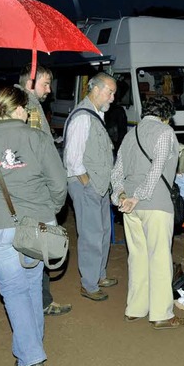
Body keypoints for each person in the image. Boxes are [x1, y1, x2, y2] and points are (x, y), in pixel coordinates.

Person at [0, 85, 67, 366]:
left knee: (13, 289)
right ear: (20, 109)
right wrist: (51, 209)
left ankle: (31, 350)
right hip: (37, 225)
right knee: (32, 283)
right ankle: (32, 346)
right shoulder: (38, 139)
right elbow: (59, 184)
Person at [111, 95, 184, 329]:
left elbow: (116, 172)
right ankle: (162, 314)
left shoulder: (129, 135)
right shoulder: (165, 133)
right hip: (154, 204)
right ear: (166, 117)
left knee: (137, 257)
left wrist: (122, 196)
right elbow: (157, 169)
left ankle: (135, 309)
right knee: (160, 258)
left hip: (130, 208)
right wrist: (139, 196)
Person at [18, 64, 72, 316]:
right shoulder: (29, 105)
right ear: (31, 82)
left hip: (21, 190)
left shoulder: (21, 103)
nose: (49, 90)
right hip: (37, 190)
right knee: (39, 245)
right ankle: (41, 302)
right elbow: (39, 151)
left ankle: (36, 301)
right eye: (45, 83)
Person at [64, 72, 118, 302]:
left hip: (98, 184)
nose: (113, 98)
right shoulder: (82, 117)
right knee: (90, 235)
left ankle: (99, 275)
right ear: (95, 89)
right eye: (110, 92)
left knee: (103, 231)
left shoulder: (95, 114)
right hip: (87, 185)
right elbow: (72, 160)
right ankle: (89, 283)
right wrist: (89, 185)